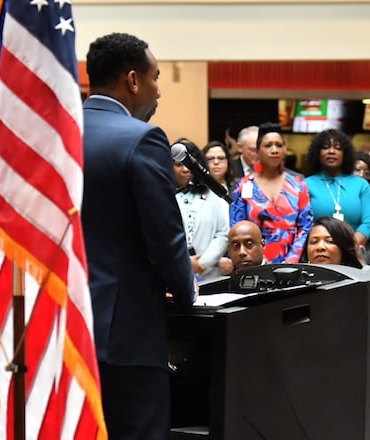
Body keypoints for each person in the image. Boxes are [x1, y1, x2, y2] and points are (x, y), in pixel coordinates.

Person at [81, 33, 195, 439]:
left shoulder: (53, 137)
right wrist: (187, 293)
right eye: (156, 78)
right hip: (125, 333)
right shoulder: (142, 138)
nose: (159, 90)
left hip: (62, 325)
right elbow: (165, 240)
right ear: (133, 80)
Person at [230, 122, 313, 263]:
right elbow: (237, 228)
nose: (274, 150)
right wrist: (260, 260)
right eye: (268, 146)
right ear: (257, 151)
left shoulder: (298, 185)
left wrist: (292, 259)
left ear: (285, 150)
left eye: (279, 145)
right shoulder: (243, 185)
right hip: (254, 263)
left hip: (293, 263)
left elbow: (305, 226)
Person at [305, 129, 370, 247]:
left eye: (337, 148)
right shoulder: (305, 185)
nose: (331, 151)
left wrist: (349, 247)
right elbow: (303, 225)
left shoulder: (361, 185)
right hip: (317, 250)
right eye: (325, 147)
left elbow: (368, 222)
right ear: (317, 152)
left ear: (345, 153)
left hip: (352, 252)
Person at [173, 139, 229, 281]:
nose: (185, 169)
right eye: (179, 164)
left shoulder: (212, 194)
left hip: (209, 273)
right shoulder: (165, 196)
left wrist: (202, 264)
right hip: (176, 272)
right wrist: (186, 264)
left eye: (188, 165)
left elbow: (222, 233)